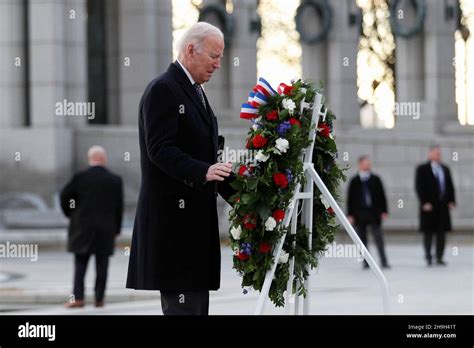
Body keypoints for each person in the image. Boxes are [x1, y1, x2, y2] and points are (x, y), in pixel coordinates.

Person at [126, 22, 235, 316]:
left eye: (221, 57)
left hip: (194, 229)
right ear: (190, 50)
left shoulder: (194, 92)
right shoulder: (164, 89)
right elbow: (160, 149)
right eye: (214, 56)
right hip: (174, 228)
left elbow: (208, 157)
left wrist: (247, 196)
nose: (218, 64)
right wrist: (202, 171)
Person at [60, 146, 123, 308]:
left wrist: (71, 214)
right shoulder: (115, 180)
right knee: (102, 265)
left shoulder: (80, 177)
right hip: (105, 230)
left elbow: (64, 195)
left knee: (80, 265)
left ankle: (78, 298)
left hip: (82, 228)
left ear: (90, 159)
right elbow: (119, 207)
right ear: (104, 159)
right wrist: (117, 229)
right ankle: (99, 299)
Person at [415, 145, 455, 266]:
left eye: (439, 153)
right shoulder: (422, 169)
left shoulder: (445, 169)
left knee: (441, 233)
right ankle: (428, 256)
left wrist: (451, 200)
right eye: (436, 153)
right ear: (430, 154)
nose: (439, 155)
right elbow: (419, 187)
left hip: (442, 206)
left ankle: (439, 256)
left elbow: (450, 186)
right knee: (428, 232)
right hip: (429, 206)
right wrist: (424, 202)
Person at [347, 155, 390, 269]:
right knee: (362, 239)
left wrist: (384, 211)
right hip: (359, 214)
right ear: (360, 164)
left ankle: (384, 261)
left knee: (378, 238)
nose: (368, 166)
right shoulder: (354, 181)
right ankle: (366, 262)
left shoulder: (376, 179)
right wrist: (350, 215)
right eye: (365, 163)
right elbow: (350, 199)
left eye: (369, 164)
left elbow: (382, 196)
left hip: (374, 213)